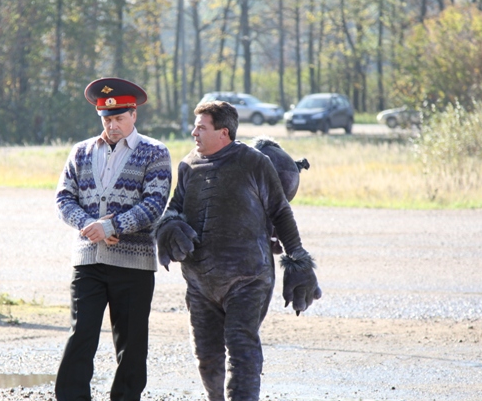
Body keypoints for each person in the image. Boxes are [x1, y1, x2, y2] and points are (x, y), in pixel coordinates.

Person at [154, 100, 321, 401]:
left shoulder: (254, 163)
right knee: (206, 356)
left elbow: (281, 212)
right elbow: (174, 207)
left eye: (201, 127)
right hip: (200, 284)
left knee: (241, 347)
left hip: (248, 279)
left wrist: (298, 261)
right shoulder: (188, 165)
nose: (194, 133)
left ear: (224, 132)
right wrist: (169, 226)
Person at [54, 77, 172, 401]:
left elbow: (154, 204)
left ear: (134, 114)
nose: (112, 125)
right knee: (81, 335)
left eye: (119, 118)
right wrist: (90, 226)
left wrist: (112, 227)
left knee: (131, 344)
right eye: (106, 119)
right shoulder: (81, 152)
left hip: (134, 265)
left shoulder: (155, 153)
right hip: (88, 261)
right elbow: (63, 199)